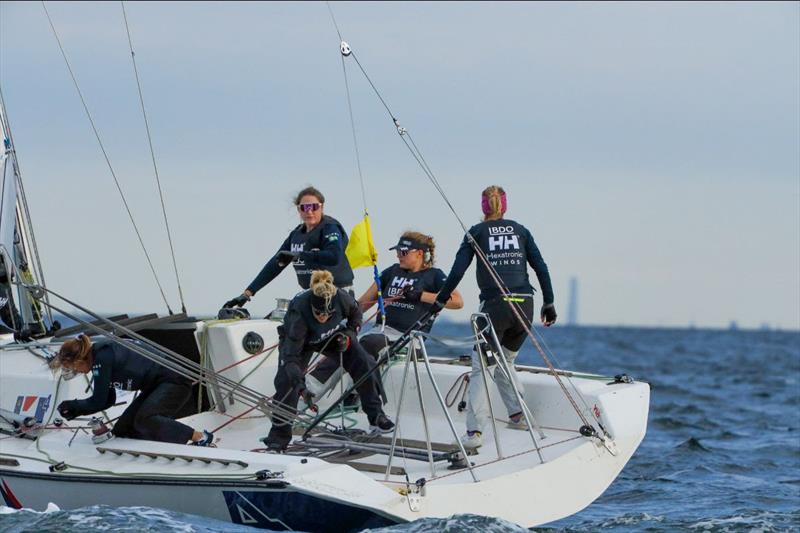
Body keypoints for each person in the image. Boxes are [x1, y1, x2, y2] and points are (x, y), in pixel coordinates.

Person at [433, 185, 557, 448]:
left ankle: (474, 433)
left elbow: (457, 271)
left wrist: (441, 299)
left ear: (483, 207)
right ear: (505, 206)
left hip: (495, 308)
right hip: (525, 306)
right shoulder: (521, 231)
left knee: (482, 366)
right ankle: (518, 415)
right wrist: (550, 303)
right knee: (505, 361)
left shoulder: (475, 233)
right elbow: (541, 267)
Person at [307, 231, 463, 393]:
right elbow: (362, 303)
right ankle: (307, 390)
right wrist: (336, 318)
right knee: (345, 342)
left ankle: (354, 394)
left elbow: (457, 301)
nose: (398, 256)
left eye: (403, 252)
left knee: (368, 343)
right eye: (397, 252)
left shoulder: (434, 276)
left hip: (406, 340)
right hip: (379, 332)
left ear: (419, 254)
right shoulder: (392, 272)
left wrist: (420, 295)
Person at [262, 270, 395, 452]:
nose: (323, 317)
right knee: (286, 382)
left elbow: (356, 315)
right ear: (312, 308)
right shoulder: (298, 312)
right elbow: (291, 360)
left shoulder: (341, 297)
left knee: (364, 362)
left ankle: (376, 417)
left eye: (328, 313)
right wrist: (302, 388)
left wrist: (349, 334)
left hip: (333, 336)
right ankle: (278, 438)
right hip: (302, 341)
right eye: (319, 313)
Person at [50, 334, 213, 446]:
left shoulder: (102, 358)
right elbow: (107, 400)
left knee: (145, 418)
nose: (75, 371)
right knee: (123, 430)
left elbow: (98, 400)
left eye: (71, 367)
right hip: (155, 385)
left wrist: (72, 406)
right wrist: (74, 410)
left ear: (78, 361)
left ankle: (200, 437)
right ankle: (154, 447)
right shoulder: (99, 358)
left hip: (174, 381)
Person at [222, 186, 354, 309]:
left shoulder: (330, 228)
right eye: (304, 207)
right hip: (311, 295)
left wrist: (301, 255)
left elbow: (334, 256)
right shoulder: (296, 235)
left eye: (314, 207)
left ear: (322, 207)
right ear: (299, 209)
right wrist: (248, 293)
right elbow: (276, 263)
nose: (309, 211)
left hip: (337, 294)